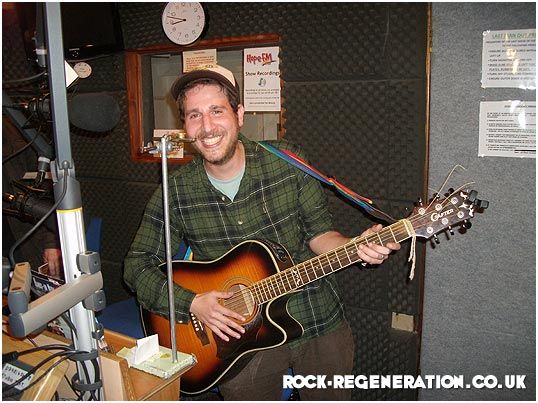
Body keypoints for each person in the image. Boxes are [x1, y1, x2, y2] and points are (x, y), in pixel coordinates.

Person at [124, 65, 400, 400]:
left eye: (217, 111)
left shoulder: (288, 162)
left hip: (315, 316)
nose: (207, 126)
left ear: (239, 115)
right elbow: (137, 266)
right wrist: (192, 303)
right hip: (237, 339)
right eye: (195, 115)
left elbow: (319, 235)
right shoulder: (176, 191)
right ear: (185, 125)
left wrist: (355, 247)